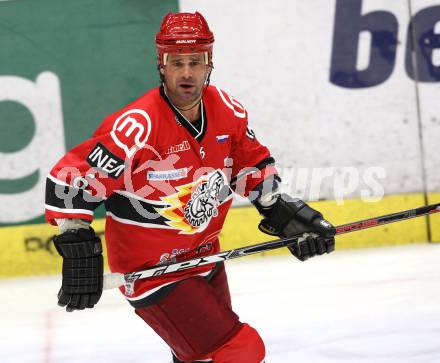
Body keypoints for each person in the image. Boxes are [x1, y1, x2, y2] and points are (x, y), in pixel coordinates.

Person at [45, 11, 336, 363]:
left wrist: (282, 211)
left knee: (198, 357)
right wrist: (78, 244)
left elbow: (250, 165)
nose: (186, 73)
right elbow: (70, 180)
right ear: (161, 64)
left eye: (195, 62)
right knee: (241, 348)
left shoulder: (228, 110)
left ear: (209, 62)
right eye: (176, 62)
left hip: (206, 257)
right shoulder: (138, 126)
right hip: (154, 273)